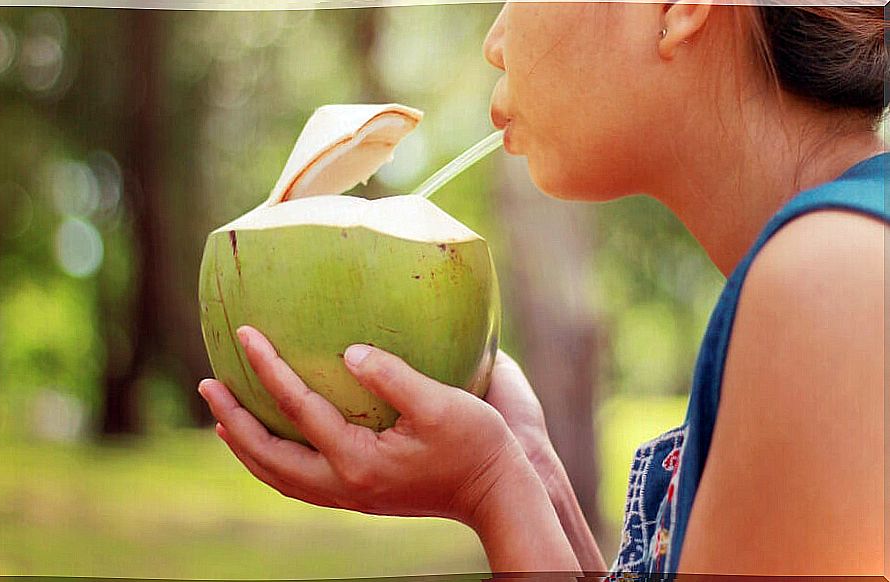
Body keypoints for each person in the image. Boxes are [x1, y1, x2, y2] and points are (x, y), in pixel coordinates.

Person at [198, 3, 887, 575]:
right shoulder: (835, 264)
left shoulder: (830, 283)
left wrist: (491, 489)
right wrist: (533, 475)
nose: (495, 42)